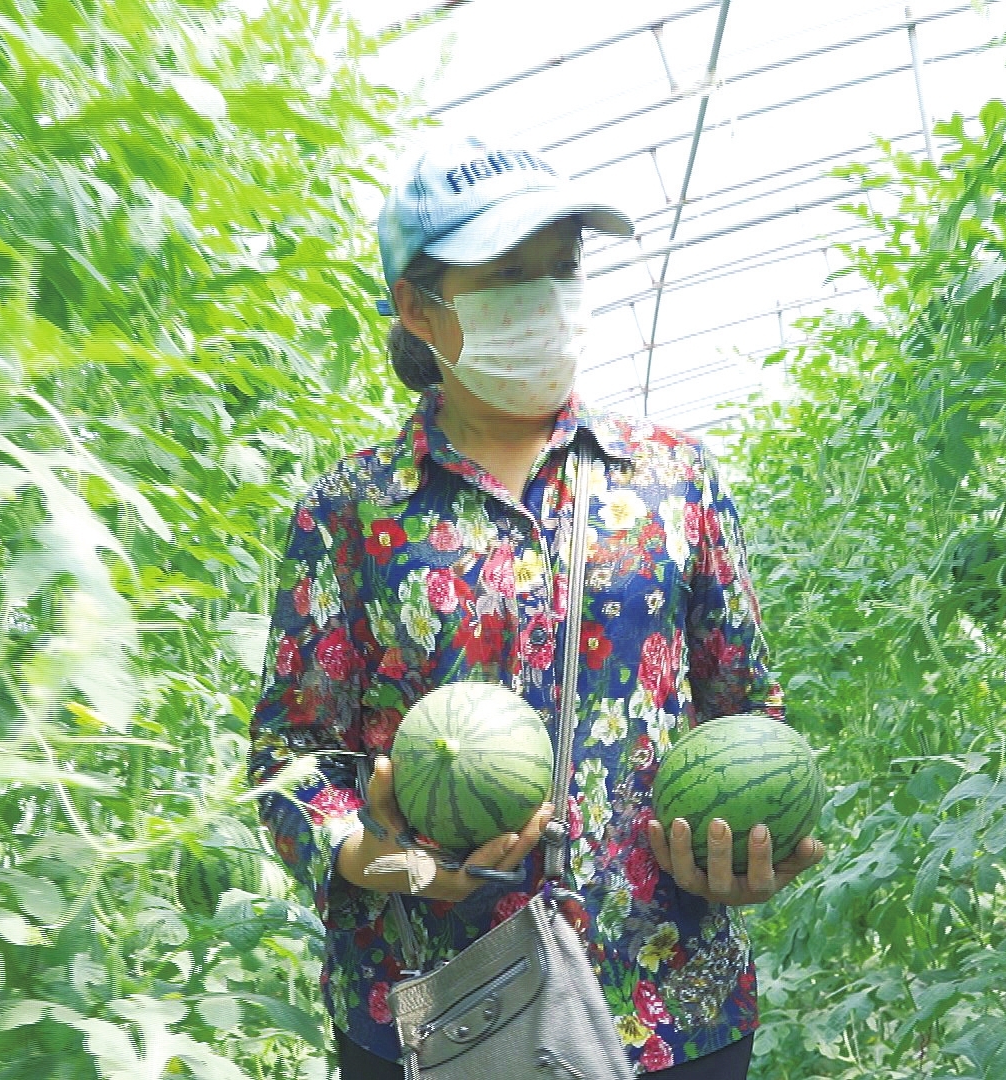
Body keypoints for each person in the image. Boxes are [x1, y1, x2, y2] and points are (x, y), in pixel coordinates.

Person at [245, 133, 824, 1080]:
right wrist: (398, 867)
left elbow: (748, 710)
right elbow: (289, 761)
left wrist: (745, 847)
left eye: (563, 268)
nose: (548, 299)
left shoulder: (674, 479)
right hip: (436, 1010)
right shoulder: (350, 510)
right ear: (418, 310)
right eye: (511, 275)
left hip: (671, 1005)